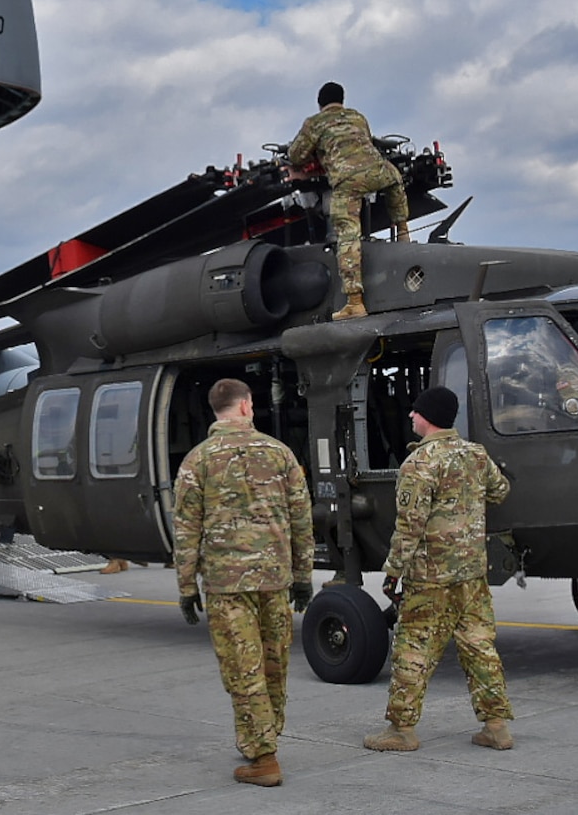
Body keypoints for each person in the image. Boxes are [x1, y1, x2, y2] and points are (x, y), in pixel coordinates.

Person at [173, 378, 314, 787]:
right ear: (248, 407)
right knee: (273, 665)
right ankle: (265, 735)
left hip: (226, 584)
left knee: (243, 669)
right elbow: (302, 519)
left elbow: (186, 530)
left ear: (216, 410)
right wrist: (303, 577)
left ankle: (263, 757)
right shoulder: (280, 453)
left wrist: (186, 587)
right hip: (275, 579)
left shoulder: (197, 461)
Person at [364, 386, 514, 752]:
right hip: (471, 572)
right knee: (479, 645)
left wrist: (394, 571)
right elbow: (501, 490)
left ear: (427, 417)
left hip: (430, 577)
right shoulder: (475, 455)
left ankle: (401, 729)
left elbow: (410, 525)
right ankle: (496, 727)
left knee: (413, 649)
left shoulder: (419, 463)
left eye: (415, 411)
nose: (410, 416)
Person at [286, 81, 410, 320]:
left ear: (319, 103)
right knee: (395, 184)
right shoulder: (358, 117)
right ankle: (404, 234)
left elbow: (296, 155)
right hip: (383, 171)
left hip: (349, 180)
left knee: (348, 235)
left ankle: (354, 302)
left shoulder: (315, 122)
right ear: (342, 100)